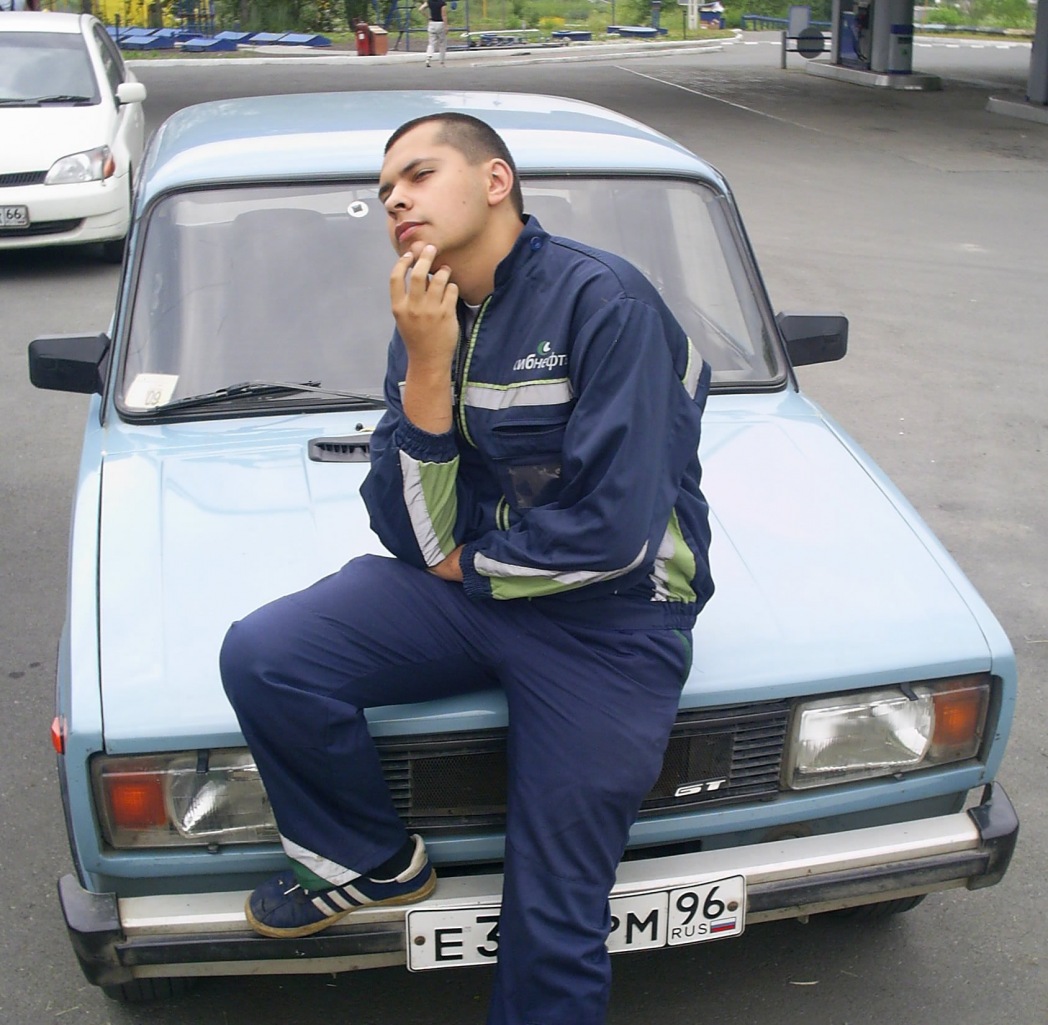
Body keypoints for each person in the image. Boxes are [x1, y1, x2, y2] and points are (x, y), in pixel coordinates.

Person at [220, 112, 714, 1025]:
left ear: (495, 182)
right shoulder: (429, 315)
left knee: (553, 905)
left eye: (418, 174)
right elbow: (408, 532)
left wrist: (470, 564)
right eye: (385, 191)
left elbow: (614, 537)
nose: (395, 200)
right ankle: (368, 859)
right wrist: (425, 366)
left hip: (611, 621)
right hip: (476, 592)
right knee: (267, 654)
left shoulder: (606, 302)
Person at [419, 0, 447, 66]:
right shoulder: (442, 3)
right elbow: (444, 15)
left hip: (432, 23)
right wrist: (446, 26)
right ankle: (441, 61)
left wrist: (428, 17)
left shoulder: (429, 2)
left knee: (431, 43)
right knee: (442, 43)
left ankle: (428, 58)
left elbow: (420, 9)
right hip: (440, 24)